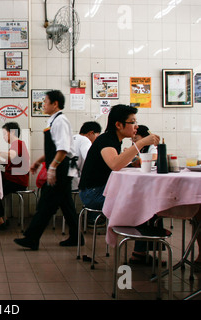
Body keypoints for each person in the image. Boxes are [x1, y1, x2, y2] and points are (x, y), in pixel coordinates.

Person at [78, 104, 161, 264]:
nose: (136, 126)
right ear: (119, 124)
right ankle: (139, 254)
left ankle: (141, 251)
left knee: (147, 200)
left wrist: (131, 160)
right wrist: (142, 143)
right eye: (133, 122)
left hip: (100, 190)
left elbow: (115, 163)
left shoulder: (113, 140)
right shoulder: (107, 140)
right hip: (93, 193)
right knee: (145, 203)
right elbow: (115, 164)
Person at [14, 90, 81, 250]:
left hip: (60, 168)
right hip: (59, 166)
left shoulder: (60, 121)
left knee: (46, 203)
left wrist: (52, 168)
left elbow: (63, 149)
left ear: (55, 104)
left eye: (45, 101)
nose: (43, 104)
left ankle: (32, 238)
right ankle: (77, 237)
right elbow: (54, 149)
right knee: (66, 204)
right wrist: (38, 162)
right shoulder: (53, 121)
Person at [0, 122, 29, 230]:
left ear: (12, 132)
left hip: (17, 181)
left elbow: (12, 155)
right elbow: (14, 160)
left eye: (4, 134)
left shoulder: (17, 144)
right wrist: (0, 161)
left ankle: (0, 221)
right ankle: (3, 218)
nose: (3, 137)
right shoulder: (17, 145)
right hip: (14, 179)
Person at [70, 121, 102, 191]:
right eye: (97, 137)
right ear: (91, 133)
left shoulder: (72, 138)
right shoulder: (85, 140)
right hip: (73, 179)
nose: (96, 140)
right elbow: (89, 159)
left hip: (62, 177)